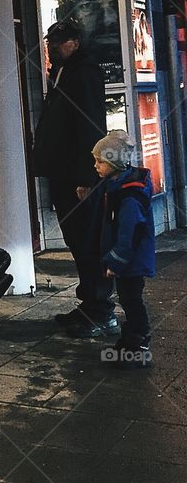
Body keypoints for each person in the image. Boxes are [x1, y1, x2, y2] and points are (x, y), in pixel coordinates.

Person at [32, 18, 117, 338]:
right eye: (51, 42)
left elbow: (91, 126)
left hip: (77, 177)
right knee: (78, 241)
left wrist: (87, 178)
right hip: (64, 172)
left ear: (76, 43)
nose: (52, 48)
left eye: (59, 42)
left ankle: (101, 310)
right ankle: (90, 305)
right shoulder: (63, 72)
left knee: (87, 241)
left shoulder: (83, 73)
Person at [91, 131, 155, 368]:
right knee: (129, 299)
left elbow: (129, 234)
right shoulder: (118, 185)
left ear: (115, 162)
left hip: (132, 261)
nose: (96, 166)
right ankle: (131, 341)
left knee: (131, 300)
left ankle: (138, 345)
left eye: (100, 161)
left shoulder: (128, 196)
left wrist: (115, 262)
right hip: (130, 259)